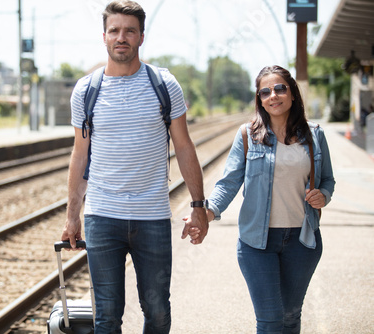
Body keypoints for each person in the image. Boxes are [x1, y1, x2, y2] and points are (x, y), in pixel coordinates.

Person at [60, 1, 208, 333]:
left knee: (157, 312)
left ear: (142, 36)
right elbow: (80, 154)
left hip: (152, 217)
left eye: (129, 31)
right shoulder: (86, 90)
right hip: (102, 217)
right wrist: (73, 214)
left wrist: (199, 205)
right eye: (114, 30)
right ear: (104, 36)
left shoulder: (164, 85)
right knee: (107, 315)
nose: (121, 37)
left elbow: (184, 147)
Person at [187, 65, 335, 333]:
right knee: (269, 320)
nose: (273, 96)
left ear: (292, 94)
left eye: (279, 88)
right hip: (257, 241)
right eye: (265, 92)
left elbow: (328, 180)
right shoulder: (247, 136)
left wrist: (322, 195)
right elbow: (229, 183)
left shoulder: (315, 135)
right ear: (259, 99)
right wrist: (206, 213)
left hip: (303, 240)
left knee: (291, 317)